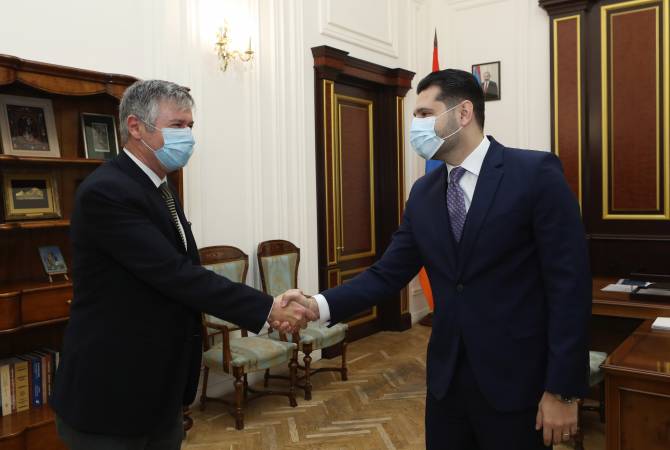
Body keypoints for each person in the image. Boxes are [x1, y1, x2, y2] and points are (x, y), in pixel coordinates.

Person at [290, 69, 591, 449]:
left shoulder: (534, 174)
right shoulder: (423, 193)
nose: (415, 126)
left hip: (517, 384)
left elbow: (569, 288)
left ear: (463, 113)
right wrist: (316, 305)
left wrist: (563, 390)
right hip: (446, 385)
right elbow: (386, 274)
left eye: (424, 114)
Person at [51, 80, 312, 450]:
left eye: (190, 125)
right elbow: (175, 275)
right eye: (177, 125)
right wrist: (268, 308)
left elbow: (184, 270)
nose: (187, 135)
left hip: (158, 389)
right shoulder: (107, 191)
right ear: (135, 127)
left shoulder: (161, 187)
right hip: (112, 393)